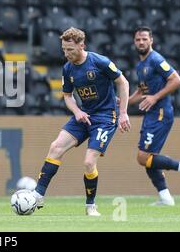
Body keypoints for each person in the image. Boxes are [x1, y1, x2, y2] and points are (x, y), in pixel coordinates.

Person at [32, 27, 131, 216]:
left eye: (70, 49)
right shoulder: (67, 68)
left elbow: (123, 82)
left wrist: (123, 113)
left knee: (88, 162)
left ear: (81, 45)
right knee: (56, 147)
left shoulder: (99, 62)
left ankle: (90, 205)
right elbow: (67, 96)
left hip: (105, 118)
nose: (66, 54)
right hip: (84, 115)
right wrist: (77, 111)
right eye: (63, 49)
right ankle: (38, 195)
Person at [128, 27, 180, 205]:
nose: (141, 42)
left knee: (143, 157)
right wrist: (123, 102)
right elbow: (142, 91)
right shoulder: (141, 65)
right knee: (150, 159)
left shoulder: (156, 59)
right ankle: (165, 198)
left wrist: (155, 97)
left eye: (144, 39)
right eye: (138, 39)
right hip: (152, 114)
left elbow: (177, 80)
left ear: (151, 40)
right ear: (134, 42)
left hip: (160, 113)